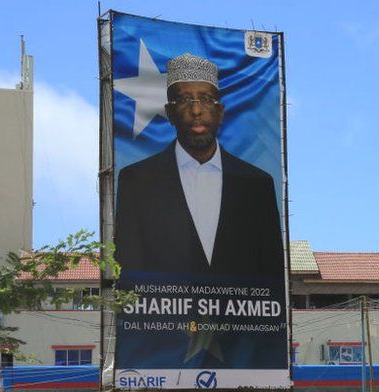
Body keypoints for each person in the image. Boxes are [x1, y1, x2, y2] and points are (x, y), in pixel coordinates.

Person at [114, 53, 284, 279]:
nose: (196, 111)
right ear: (169, 112)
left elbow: (271, 275)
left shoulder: (257, 185)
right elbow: (128, 274)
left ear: (220, 112)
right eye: (184, 100)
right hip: (162, 313)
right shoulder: (137, 180)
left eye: (206, 99)